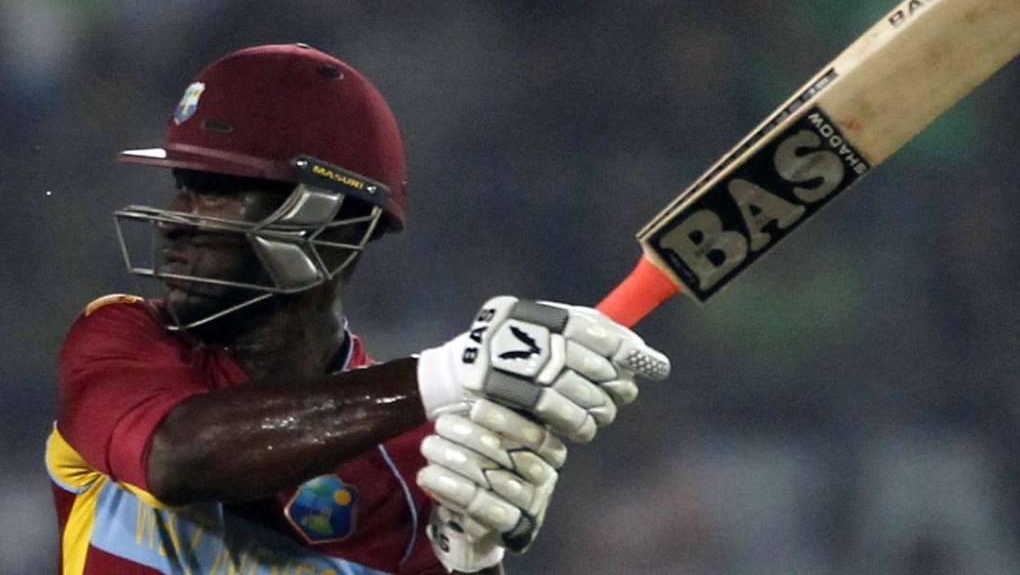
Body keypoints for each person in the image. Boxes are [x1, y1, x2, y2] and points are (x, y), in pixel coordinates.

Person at [46, 43, 669, 574]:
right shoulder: (119, 337)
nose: (177, 222)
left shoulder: (415, 458)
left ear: (337, 227)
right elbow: (177, 457)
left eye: (219, 192)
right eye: (182, 186)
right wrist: (446, 374)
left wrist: (474, 562)